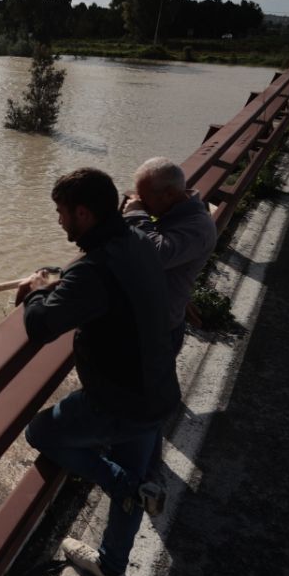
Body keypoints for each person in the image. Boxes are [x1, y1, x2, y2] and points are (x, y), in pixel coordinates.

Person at [17, 167, 179, 576]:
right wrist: (63, 282)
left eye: (61, 212)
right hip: (158, 389)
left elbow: (42, 326)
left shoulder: (93, 270)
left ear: (84, 214)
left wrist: (36, 289)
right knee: (134, 467)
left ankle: (126, 486)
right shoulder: (138, 241)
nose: (58, 221)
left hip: (119, 400)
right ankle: (111, 566)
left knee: (40, 431)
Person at [122, 157, 218, 514]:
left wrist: (134, 216)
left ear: (173, 193)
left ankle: (148, 480)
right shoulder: (180, 213)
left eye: (147, 197)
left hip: (159, 331)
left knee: (146, 410)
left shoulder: (195, 225)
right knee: (144, 403)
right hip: (157, 322)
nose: (142, 202)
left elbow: (155, 255)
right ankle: (144, 470)